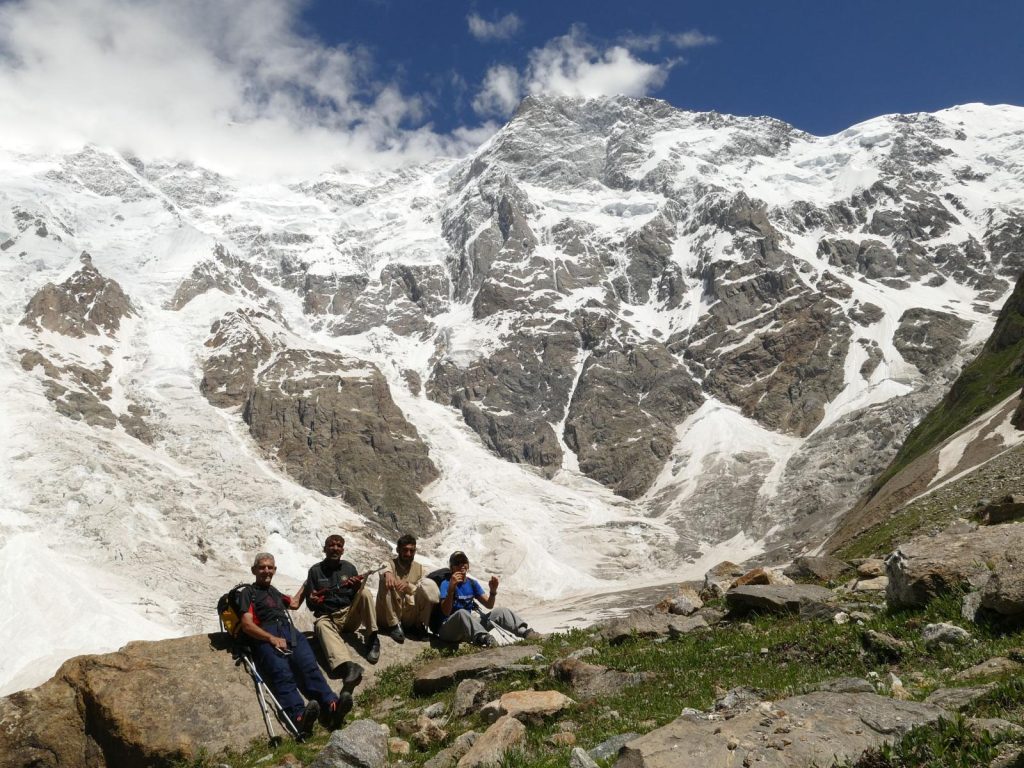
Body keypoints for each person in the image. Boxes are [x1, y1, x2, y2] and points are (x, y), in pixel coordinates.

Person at [237, 553, 351, 738]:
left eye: (270, 567)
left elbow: (295, 603)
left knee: (309, 667)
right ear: (254, 570)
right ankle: (299, 717)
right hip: (266, 635)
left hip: (290, 633)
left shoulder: (273, 591)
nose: (266, 570)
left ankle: (332, 705)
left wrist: (308, 583)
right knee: (282, 674)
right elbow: (247, 625)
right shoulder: (248, 593)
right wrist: (271, 639)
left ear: (274, 570)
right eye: (262, 567)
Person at [293, 534, 380, 678]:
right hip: (329, 619)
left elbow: (356, 596)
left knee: (364, 592)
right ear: (324, 549)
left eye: (339, 546)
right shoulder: (314, 571)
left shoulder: (349, 568)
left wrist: (356, 587)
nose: (335, 548)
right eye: (331, 545)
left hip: (349, 616)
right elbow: (311, 604)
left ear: (343, 550)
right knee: (320, 625)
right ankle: (347, 665)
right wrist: (314, 600)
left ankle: (372, 638)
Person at [434, 551, 539, 646]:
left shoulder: (471, 583)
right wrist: (451, 590)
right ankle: (483, 638)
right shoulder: (446, 584)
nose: (461, 564)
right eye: (457, 562)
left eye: (464, 561)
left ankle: (524, 632)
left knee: (500, 612)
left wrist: (493, 591)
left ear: (468, 565)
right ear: (452, 568)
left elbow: (489, 605)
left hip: (468, 627)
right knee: (462, 613)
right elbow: (446, 612)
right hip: (448, 630)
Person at [376, 533, 439, 642]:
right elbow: (383, 567)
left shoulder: (419, 569)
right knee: (386, 582)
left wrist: (408, 585)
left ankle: (419, 625)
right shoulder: (390, 564)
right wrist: (388, 574)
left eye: (412, 550)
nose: (408, 554)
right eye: (405, 550)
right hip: (387, 617)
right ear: (398, 550)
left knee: (427, 585)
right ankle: (393, 625)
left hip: (408, 615)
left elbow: (423, 591)